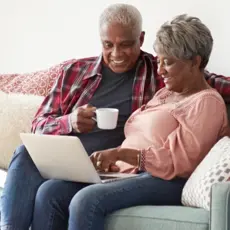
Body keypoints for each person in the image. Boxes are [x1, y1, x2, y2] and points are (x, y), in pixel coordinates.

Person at [0, 4, 230, 230]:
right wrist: (70, 121)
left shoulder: (189, 91)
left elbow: (200, 87)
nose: (116, 54)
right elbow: (38, 125)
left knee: (83, 200)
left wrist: (122, 154)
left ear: (140, 40)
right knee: (44, 182)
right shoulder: (162, 91)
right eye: (108, 45)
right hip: (92, 160)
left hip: (152, 173)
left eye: (126, 45)